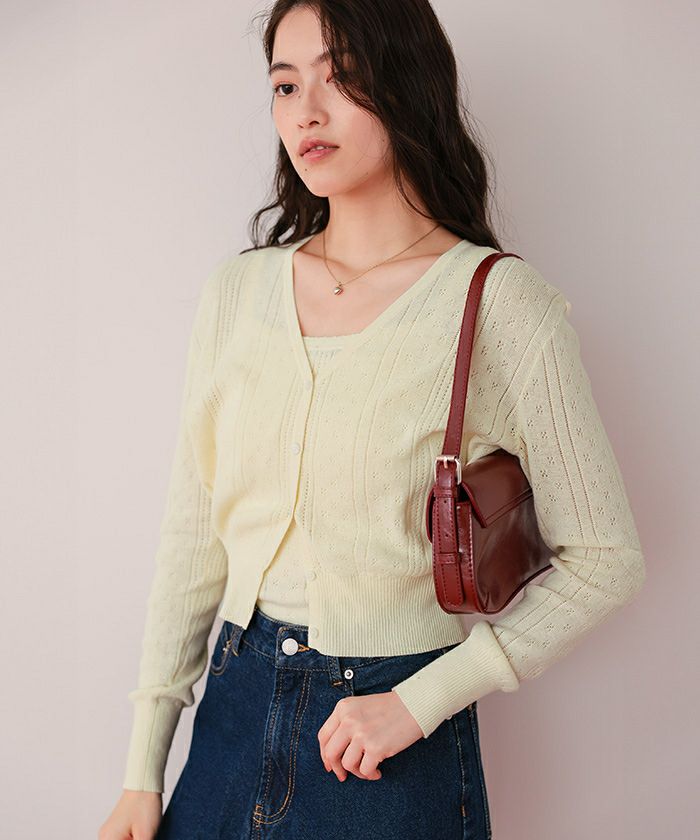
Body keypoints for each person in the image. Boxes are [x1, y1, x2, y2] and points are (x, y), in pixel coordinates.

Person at [98, 2, 646, 838]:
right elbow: (193, 537)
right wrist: (143, 769)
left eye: (342, 76)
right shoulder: (238, 294)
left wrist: (421, 701)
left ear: (407, 84)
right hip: (229, 719)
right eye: (286, 85)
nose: (307, 112)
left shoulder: (501, 305)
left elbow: (606, 559)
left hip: (389, 745)